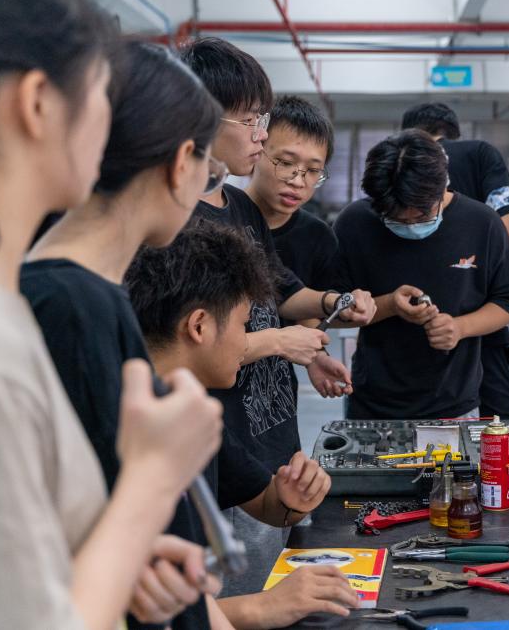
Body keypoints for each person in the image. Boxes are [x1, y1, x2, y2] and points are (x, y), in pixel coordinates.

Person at [0, 0, 222, 627]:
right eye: (101, 93)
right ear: (37, 103)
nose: (113, 122)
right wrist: (154, 479)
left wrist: (114, 557)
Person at [23, 41, 339, 629]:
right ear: (181, 162)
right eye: (209, 171)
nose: (212, 189)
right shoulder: (70, 306)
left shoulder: (88, 297)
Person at [181, 37, 375, 598]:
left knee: (280, 594)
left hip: (275, 439)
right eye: (251, 121)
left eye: (262, 120)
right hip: (227, 459)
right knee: (236, 603)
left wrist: (332, 309)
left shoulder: (240, 208)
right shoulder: (176, 222)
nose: (261, 136)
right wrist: (280, 343)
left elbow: (280, 292)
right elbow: (181, 351)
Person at [126, 223, 361, 628]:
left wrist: (293, 498)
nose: (247, 342)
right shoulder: (117, 437)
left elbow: (267, 504)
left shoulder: (191, 413)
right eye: (244, 325)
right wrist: (263, 606)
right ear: (199, 326)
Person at [334, 129, 509, 419]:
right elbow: (328, 311)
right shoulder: (354, 223)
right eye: (395, 218)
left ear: (443, 186)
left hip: (455, 404)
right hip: (373, 403)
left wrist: (460, 327)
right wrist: (389, 305)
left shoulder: (481, 223)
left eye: (422, 216)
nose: (410, 225)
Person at [401, 102, 509, 419]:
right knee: (496, 429)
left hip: (405, 334)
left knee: (410, 438)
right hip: (480, 328)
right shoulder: (480, 154)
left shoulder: (397, 167)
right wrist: (503, 286)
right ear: (454, 133)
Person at [247, 95, 354, 398]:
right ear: (256, 149)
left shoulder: (318, 237)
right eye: (286, 163)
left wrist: (315, 356)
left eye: (313, 170)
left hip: (275, 396)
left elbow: (294, 302)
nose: (298, 181)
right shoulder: (225, 221)